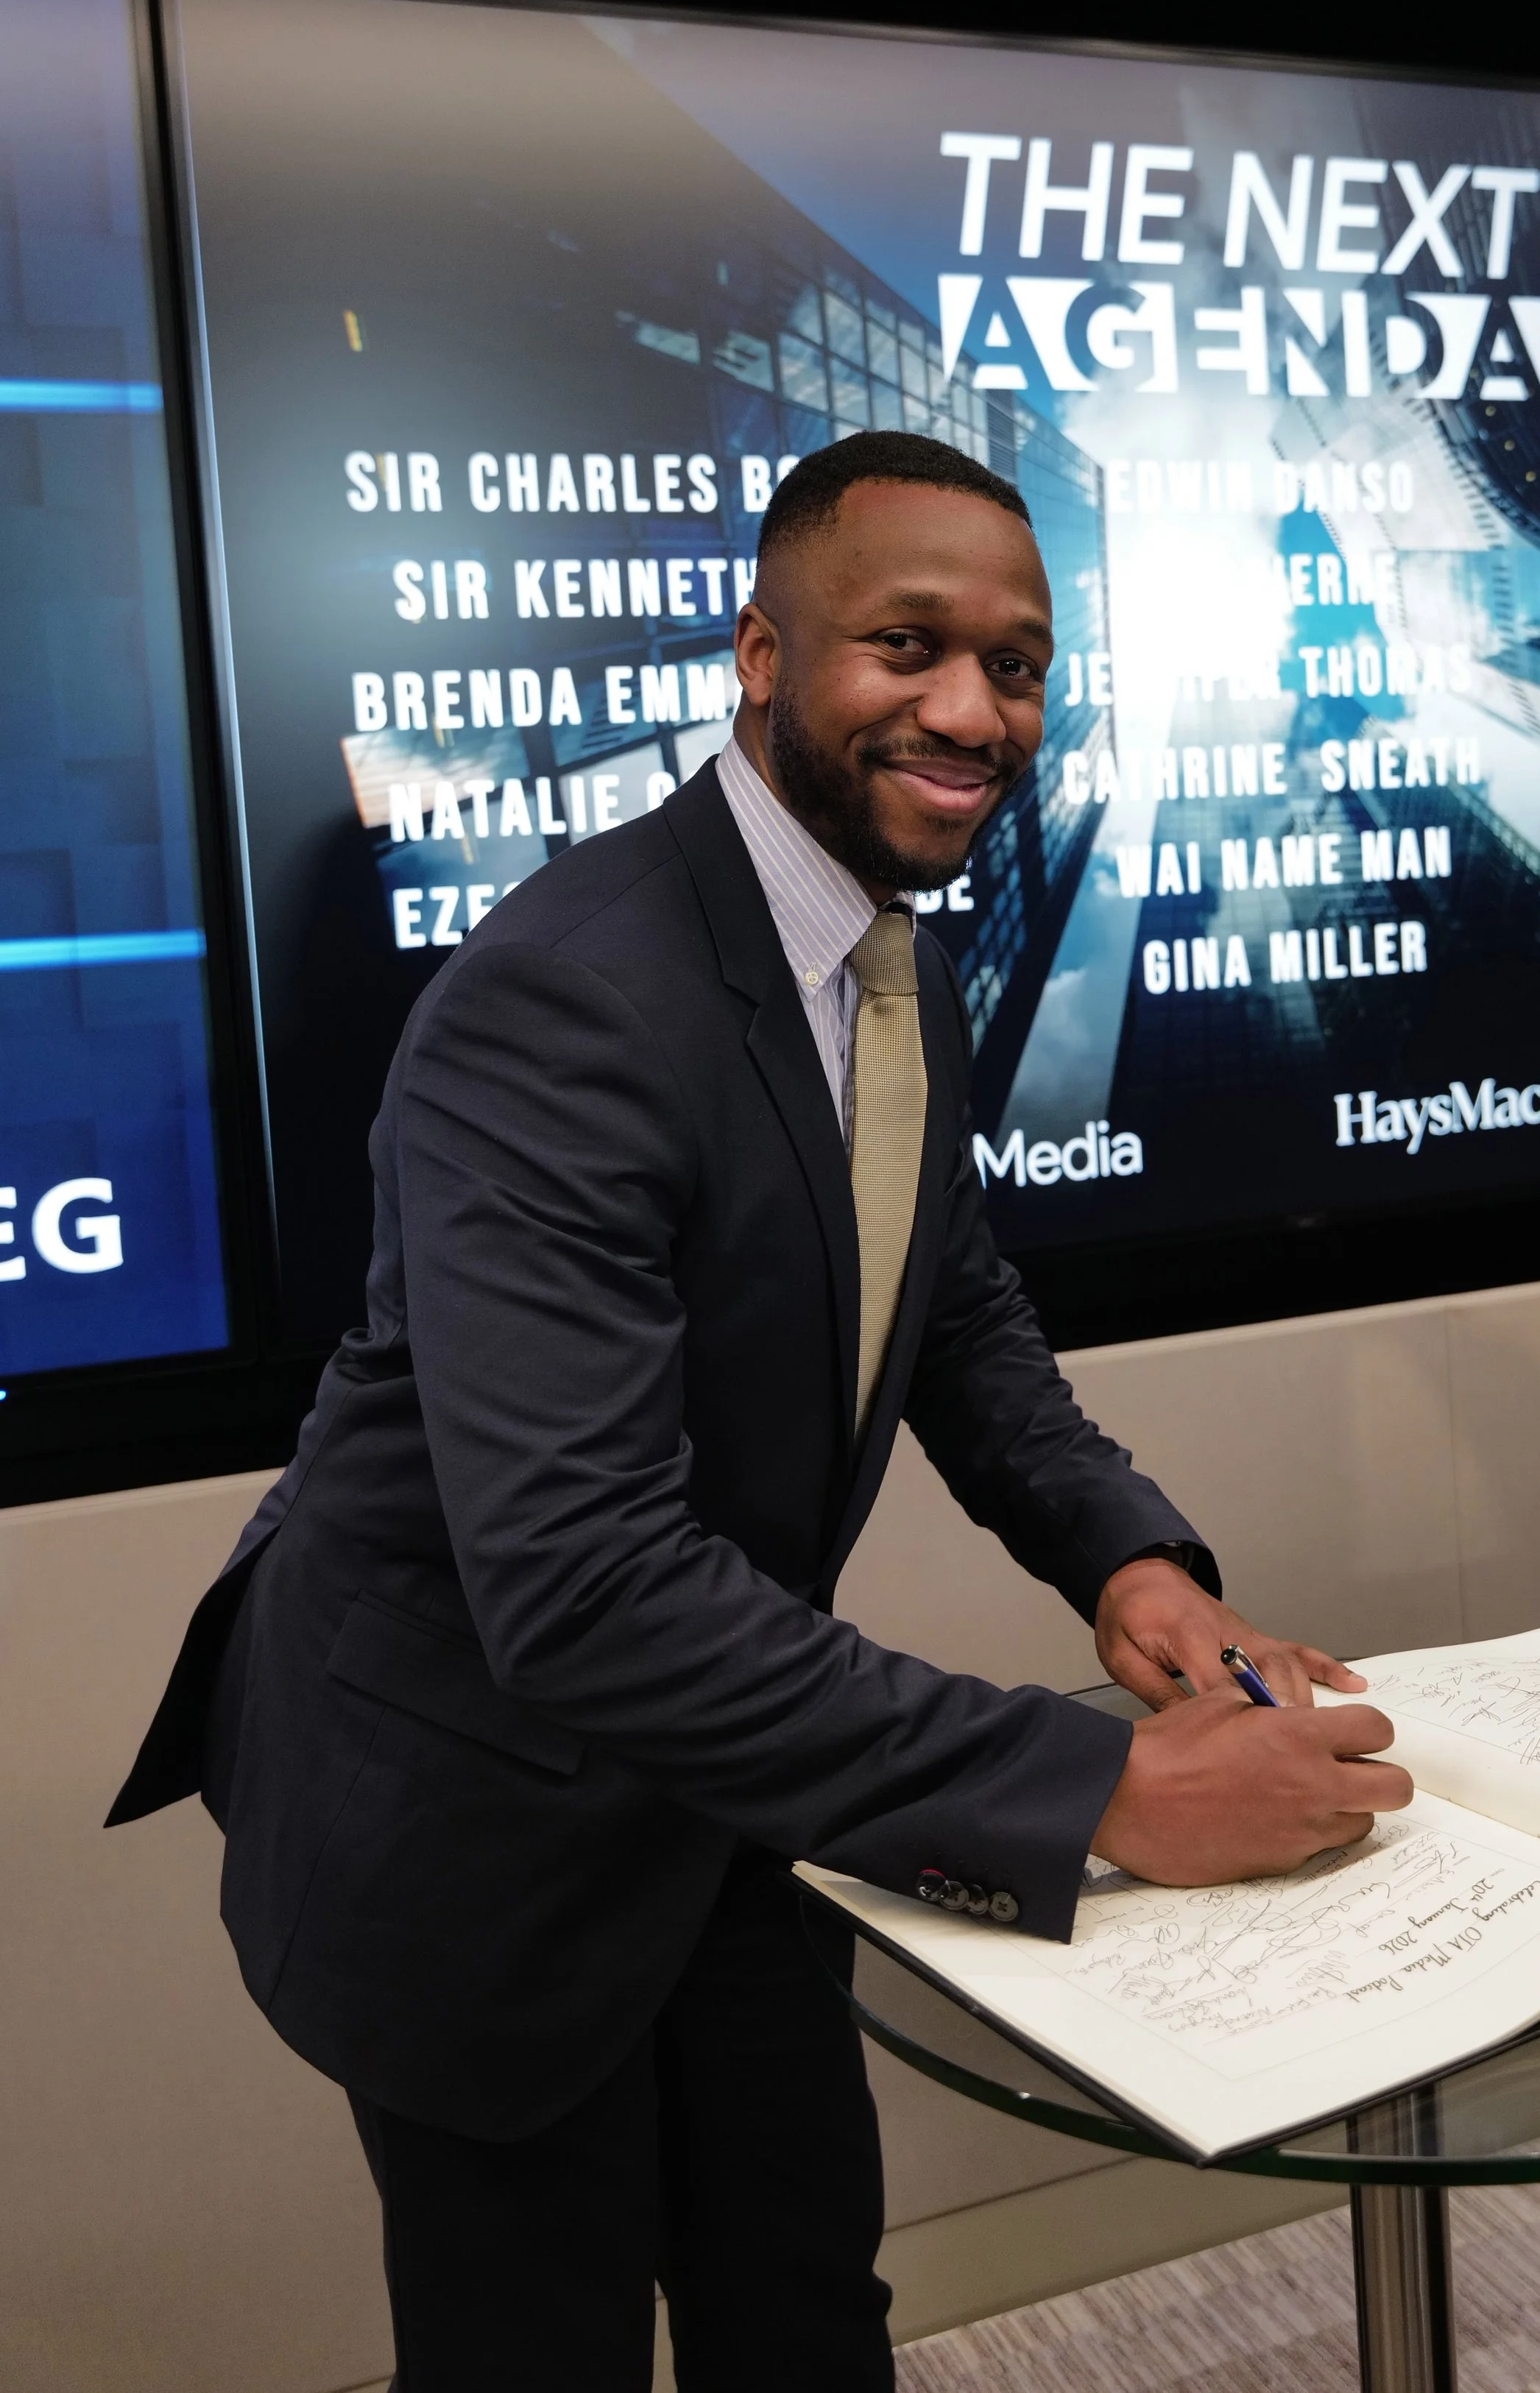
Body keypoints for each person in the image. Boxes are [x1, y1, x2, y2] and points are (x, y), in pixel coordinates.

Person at [110, 429, 1409, 2392]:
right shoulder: (566, 999)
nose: (973, 710)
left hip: (722, 1774)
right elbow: (583, 1587)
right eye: (907, 645)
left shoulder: (894, 947)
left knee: (800, 2299)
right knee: (527, 2351)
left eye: (1019, 662)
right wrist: (1103, 1788)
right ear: (761, 652)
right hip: (472, 1809)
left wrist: (1121, 1552)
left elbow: (946, 1294)